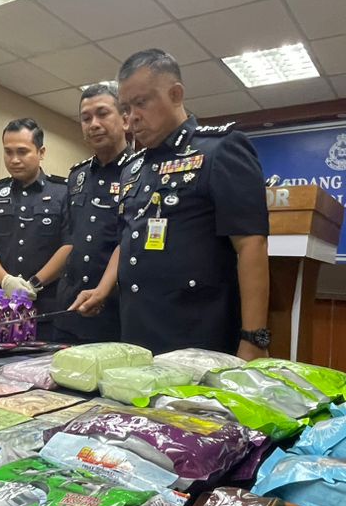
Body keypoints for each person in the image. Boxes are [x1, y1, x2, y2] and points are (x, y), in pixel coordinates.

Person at [71, 50, 271, 358]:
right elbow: (128, 238)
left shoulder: (218, 150)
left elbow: (251, 245)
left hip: (198, 334)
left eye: (141, 102)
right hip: (137, 332)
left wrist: (254, 338)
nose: (132, 117)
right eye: (126, 108)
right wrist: (102, 289)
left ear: (175, 94)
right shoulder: (133, 168)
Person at [0, 119, 71, 338]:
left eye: (22, 152)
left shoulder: (63, 192)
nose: (14, 159)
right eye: (8, 152)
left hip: (46, 303)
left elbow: (69, 245)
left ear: (41, 152)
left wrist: (34, 284)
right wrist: (6, 281)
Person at [55, 83, 130, 344]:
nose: (93, 124)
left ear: (125, 119)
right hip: (70, 307)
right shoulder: (77, 175)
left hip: (115, 308)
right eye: (86, 118)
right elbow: (70, 238)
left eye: (102, 114)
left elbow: (132, 242)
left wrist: (104, 289)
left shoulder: (141, 172)